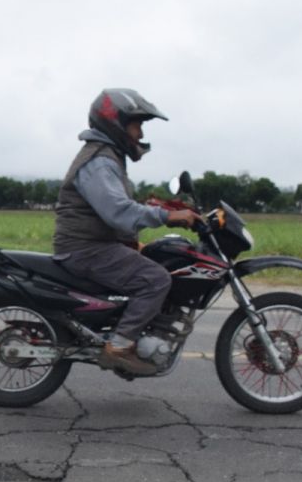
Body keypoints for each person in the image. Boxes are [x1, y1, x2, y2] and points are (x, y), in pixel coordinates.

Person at [53, 88, 200, 376]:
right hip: (85, 249)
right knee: (156, 280)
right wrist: (167, 217)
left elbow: (111, 212)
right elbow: (117, 211)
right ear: (116, 123)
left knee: (160, 261)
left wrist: (142, 232)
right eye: (137, 124)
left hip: (93, 244)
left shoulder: (108, 157)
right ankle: (119, 347)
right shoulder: (99, 161)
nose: (140, 133)